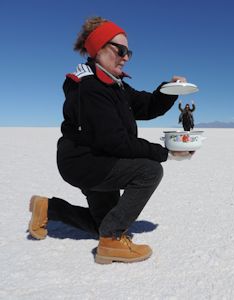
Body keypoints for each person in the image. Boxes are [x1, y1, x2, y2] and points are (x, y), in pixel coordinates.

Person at [28, 17, 193, 264]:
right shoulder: (90, 87)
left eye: (129, 52)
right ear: (99, 48)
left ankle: (48, 209)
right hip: (85, 162)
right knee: (149, 171)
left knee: (101, 223)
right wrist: (166, 152)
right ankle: (112, 241)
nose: (126, 57)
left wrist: (170, 90)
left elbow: (147, 106)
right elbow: (115, 142)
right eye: (121, 50)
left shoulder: (114, 85)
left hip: (97, 158)